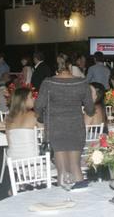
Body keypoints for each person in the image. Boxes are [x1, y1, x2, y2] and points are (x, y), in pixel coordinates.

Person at [34, 53, 93, 181]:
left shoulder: (48, 82)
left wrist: (42, 119)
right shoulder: (82, 82)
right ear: (70, 65)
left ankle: (63, 194)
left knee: (62, 171)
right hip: (76, 128)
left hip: (55, 129)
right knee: (75, 167)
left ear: (55, 67)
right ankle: (80, 193)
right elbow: (90, 109)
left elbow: (38, 106)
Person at [5, 87, 40, 160]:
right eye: (31, 97)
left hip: (14, 161)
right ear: (24, 100)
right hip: (33, 160)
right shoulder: (34, 115)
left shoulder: (9, 118)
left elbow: (9, 143)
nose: (34, 99)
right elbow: (45, 133)